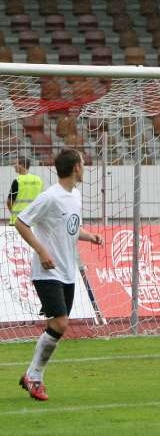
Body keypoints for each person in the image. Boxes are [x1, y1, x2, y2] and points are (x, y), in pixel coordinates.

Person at [16, 149, 103, 401]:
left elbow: (70, 228)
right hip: (47, 271)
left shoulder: (75, 195)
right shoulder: (50, 197)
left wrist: (89, 236)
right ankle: (34, 376)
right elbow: (21, 222)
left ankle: (31, 374)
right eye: (83, 163)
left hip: (67, 271)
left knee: (57, 326)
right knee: (60, 323)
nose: (84, 168)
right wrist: (42, 251)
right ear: (76, 167)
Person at [7, 156, 43, 226]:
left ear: (22, 165)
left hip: (17, 221)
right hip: (33, 221)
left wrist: (14, 213)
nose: (14, 166)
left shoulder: (18, 180)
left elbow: (9, 202)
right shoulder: (38, 180)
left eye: (16, 163)